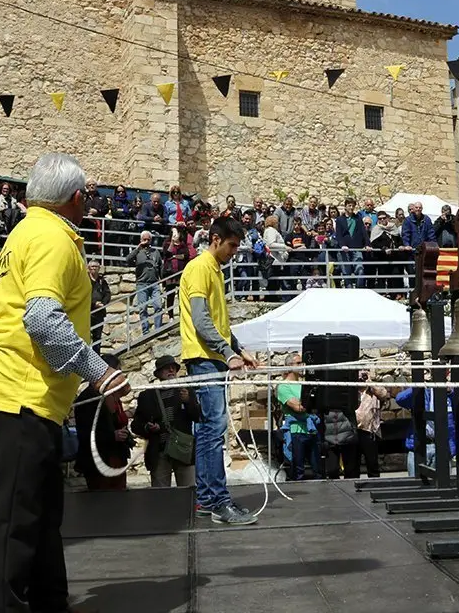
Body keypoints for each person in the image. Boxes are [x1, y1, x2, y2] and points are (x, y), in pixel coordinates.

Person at [0, 153, 130, 612]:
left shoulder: (23, 233)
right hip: (22, 396)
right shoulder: (53, 239)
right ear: (76, 198)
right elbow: (42, 320)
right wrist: (102, 373)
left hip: (25, 399)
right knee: (14, 528)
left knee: (38, 521)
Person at [178, 215, 258, 525]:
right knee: (213, 430)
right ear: (215, 239)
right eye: (231, 246)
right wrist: (227, 353)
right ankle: (217, 502)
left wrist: (238, 351)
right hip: (204, 358)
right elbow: (201, 321)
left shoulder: (214, 271)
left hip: (212, 357)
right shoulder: (200, 269)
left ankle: (207, 500)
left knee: (212, 430)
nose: (234, 252)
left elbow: (219, 323)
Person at [131, 355, 201, 488]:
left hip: (182, 449)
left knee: (188, 492)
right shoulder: (147, 396)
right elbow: (136, 425)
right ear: (158, 373)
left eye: (173, 368)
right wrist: (148, 427)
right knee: (161, 495)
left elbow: (197, 417)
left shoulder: (185, 390)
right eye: (166, 368)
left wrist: (188, 402)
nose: (171, 370)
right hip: (159, 451)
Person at [73, 354, 135, 491]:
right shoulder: (87, 399)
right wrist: (112, 436)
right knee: (102, 504)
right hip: (99, 463)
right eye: (117, 372)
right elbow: (85, 434)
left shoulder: (111, 396)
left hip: (117, 458)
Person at [275, 353, 320, 481]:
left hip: (311, 430)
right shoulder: (283, 386)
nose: (302, 366)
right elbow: (297, 407)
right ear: (289, 366)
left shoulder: (305, 384)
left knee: (318, 468)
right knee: (298, 470)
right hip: (296, 431)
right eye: (298, 363)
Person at [127, 231, 165, 335]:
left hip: (154, 283)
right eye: (144, 239)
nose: (146, 241)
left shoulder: (155, 252)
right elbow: (128, 260)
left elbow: (161, 267)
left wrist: (163, 281)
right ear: (140, 240)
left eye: (148, 240)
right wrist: (138, 248)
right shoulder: (137, 252)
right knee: (143, 308)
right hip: (141, 284)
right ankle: (146, 331)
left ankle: (158, 330)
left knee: (158, 306)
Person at [88, 261, 111, 353]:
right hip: (88, 312)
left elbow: (107, 294)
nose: (94, 268)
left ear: (99, 268)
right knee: (85, 336)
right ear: (88, 268)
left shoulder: (102, 281)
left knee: (97, 336)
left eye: (96, 266)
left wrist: (103, 303)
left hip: (99, 313)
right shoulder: (85, 280)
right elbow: (83, 295)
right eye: (92, 266)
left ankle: (96, 356)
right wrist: (94, 304)